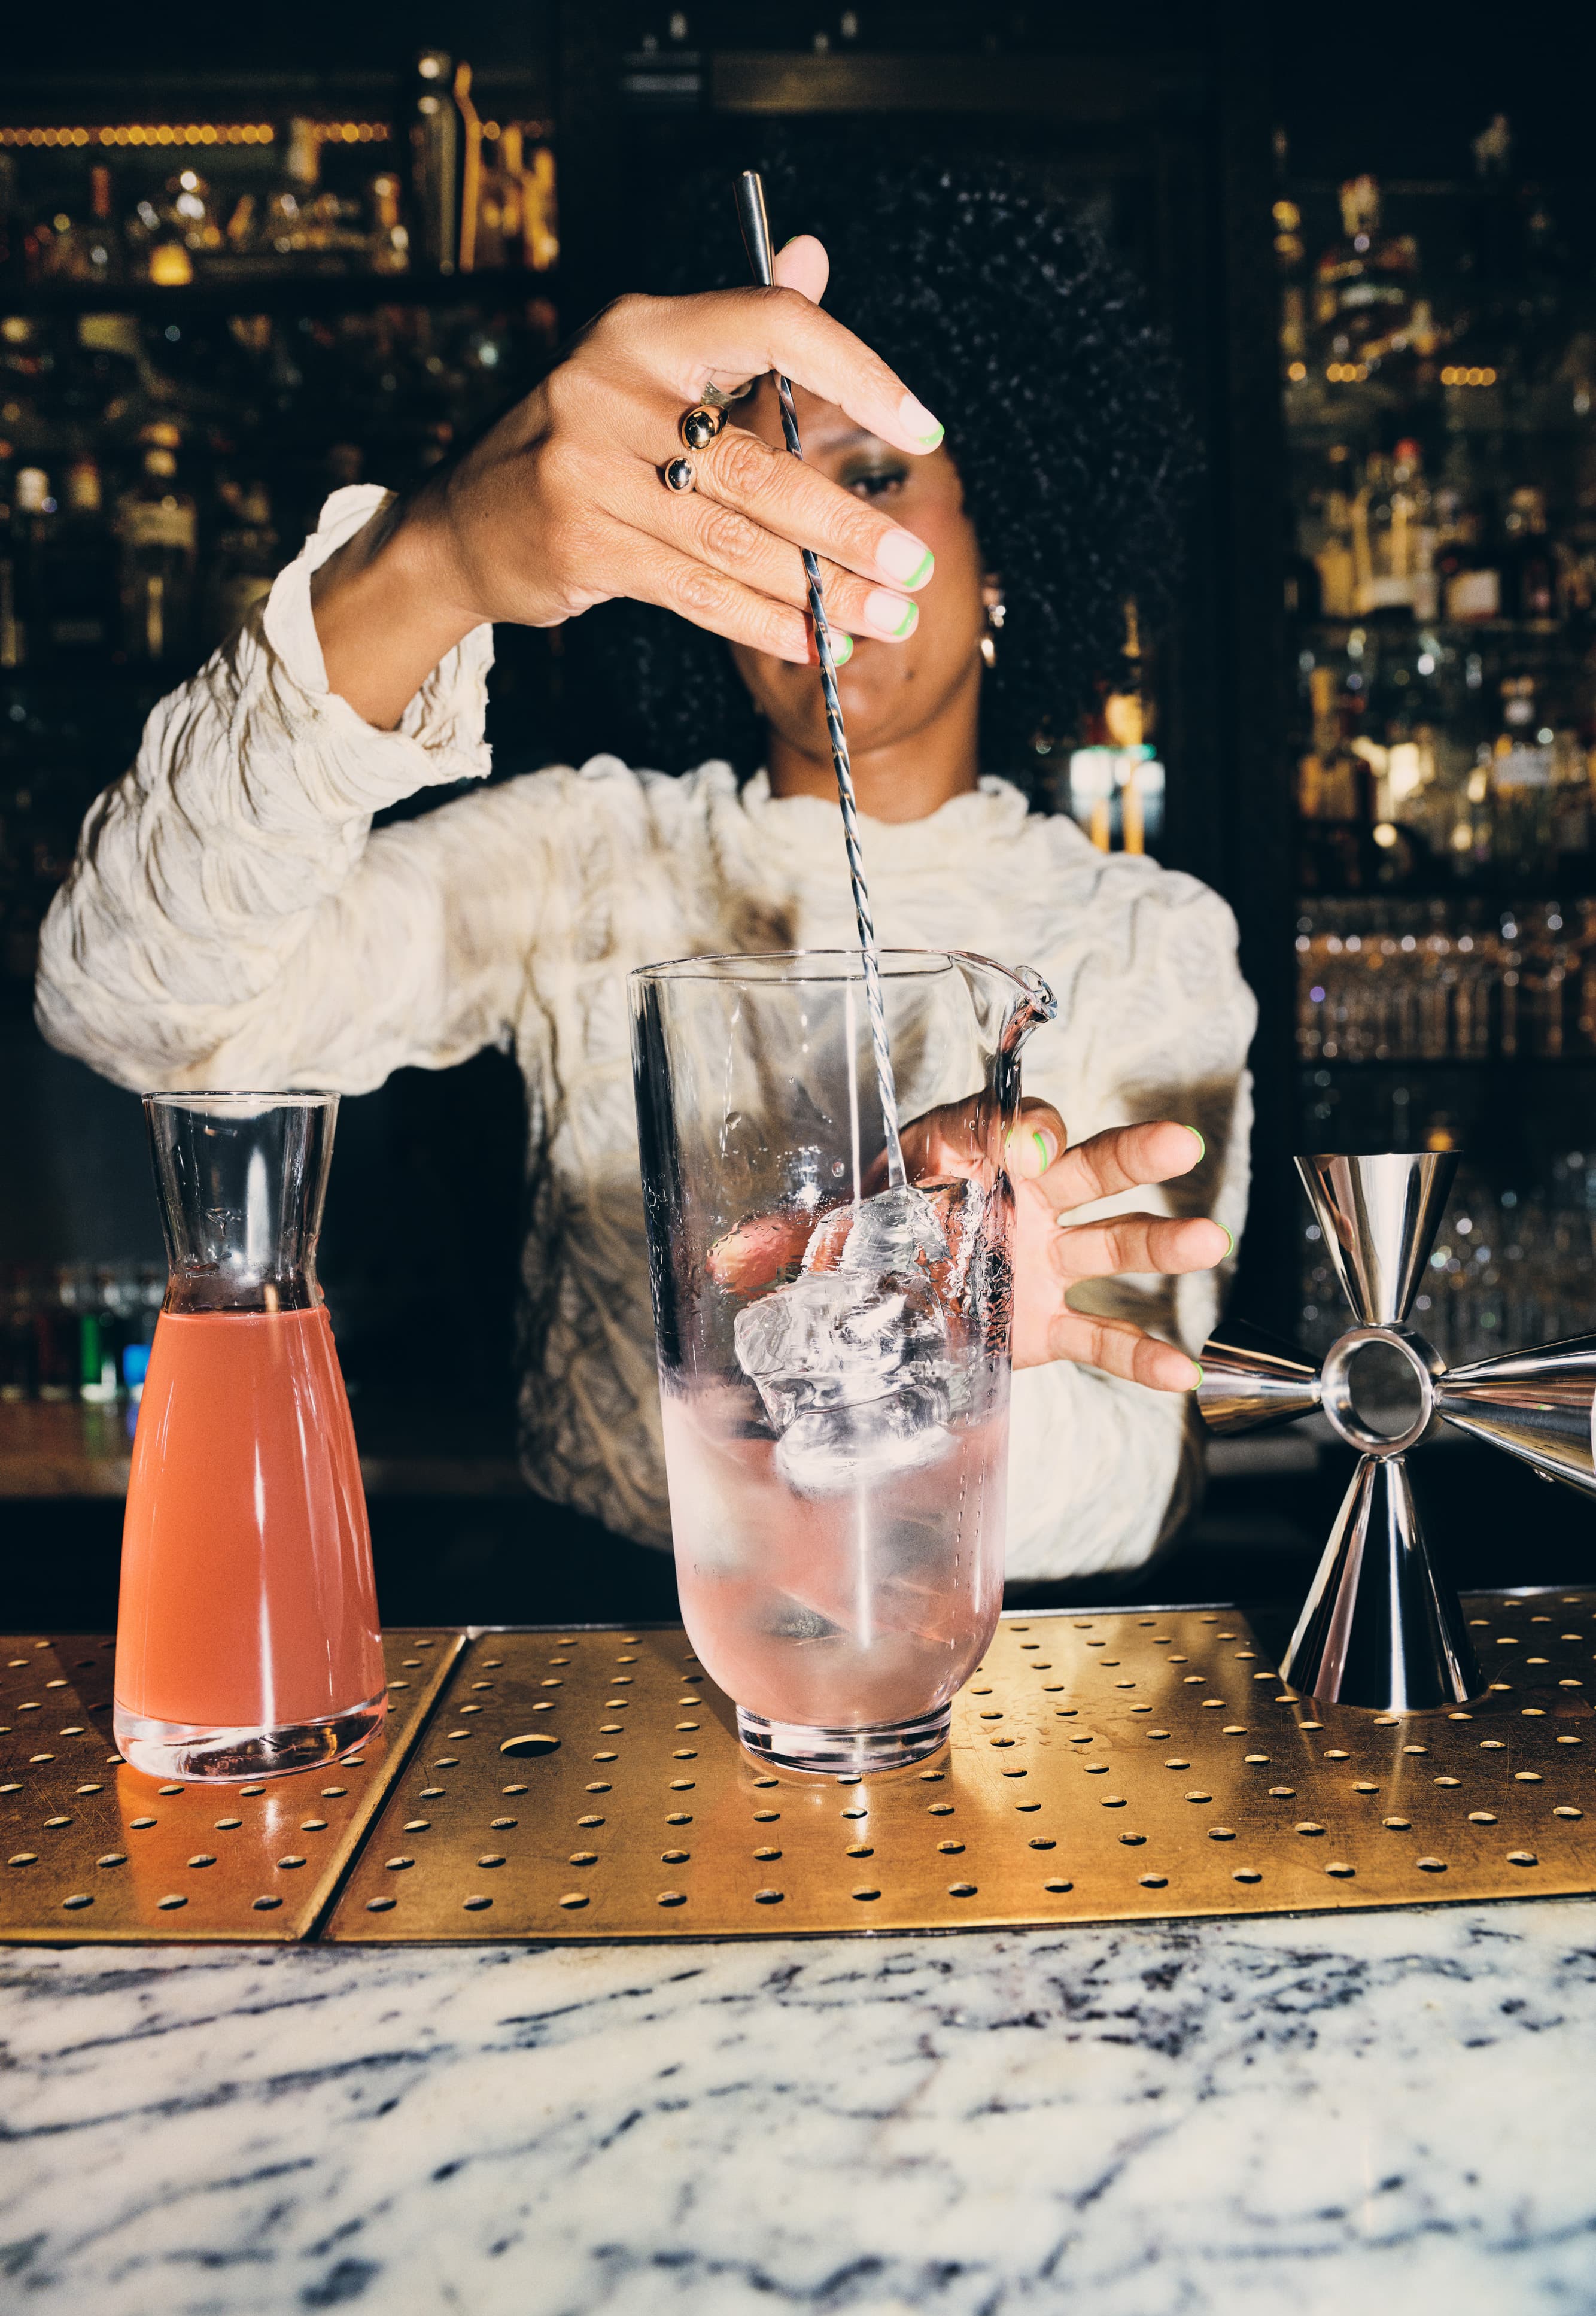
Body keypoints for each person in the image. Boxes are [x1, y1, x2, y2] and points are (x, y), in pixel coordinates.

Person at [35, 150, 1254, 1594]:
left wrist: (944, 1340)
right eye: (758, 504)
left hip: (1009, 1711)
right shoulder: (592, 856)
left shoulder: (1142, 934)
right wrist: (424, 566)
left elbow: (1126, 1483)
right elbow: (129, 1003)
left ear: (1006, 558)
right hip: (606, 1674)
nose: (808, 555)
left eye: (867, 482)